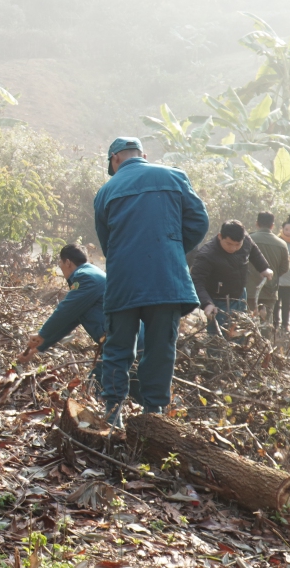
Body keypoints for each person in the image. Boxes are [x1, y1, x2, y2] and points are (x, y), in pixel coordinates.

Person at [94, 136, 209, 429]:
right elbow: (199, 222)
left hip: (124, 282)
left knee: (119, 348)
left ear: (115, 159)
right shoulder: (174, 176)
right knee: (160, 348)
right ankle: (154, 416)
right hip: (166, 281)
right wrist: (170, 248)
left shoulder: (106, 191)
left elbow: (107, 242)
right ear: (143, 155)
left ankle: (113, 413)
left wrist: (126, 258)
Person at [189, 220, 273, 338]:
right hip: (218, 302)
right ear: (220, 237)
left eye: (237, 244)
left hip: (239, 296)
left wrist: (263, 268)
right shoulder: (206, 254)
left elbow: (254, 251)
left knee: (239, 333)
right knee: (218, 338)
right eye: (229, 244)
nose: (233, 248)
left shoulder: (246, 240)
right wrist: (207, 303)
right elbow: (196, 281)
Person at [247, 212, 290, 329]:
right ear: (272, 226)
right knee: (265, 325)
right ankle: (264, 347)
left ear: (257, 224)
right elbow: (285, 268)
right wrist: (273, 275)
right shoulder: (282, 244)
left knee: (245, 323)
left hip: (249, 290)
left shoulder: (248, 239)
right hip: (269, 291)